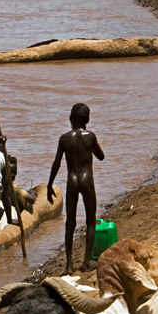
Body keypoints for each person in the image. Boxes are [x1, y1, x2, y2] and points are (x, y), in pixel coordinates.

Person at [47, 102, 104, 274]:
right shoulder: (90, 136)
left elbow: (56, 163)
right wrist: (90, 147)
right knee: (90, 220)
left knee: (70, 222)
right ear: (87, 120)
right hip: (87, 181)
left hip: (71, 181)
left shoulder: (64, 138)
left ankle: (69, 265)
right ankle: (86, 262)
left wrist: (49, 185)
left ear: (70, 118)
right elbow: (101, 156)